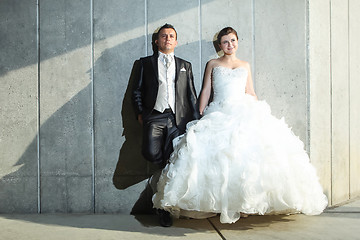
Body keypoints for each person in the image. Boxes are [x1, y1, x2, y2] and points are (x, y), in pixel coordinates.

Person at [152, 27, 328, 224]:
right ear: (220, 45)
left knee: (246, 156)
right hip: (218, 111)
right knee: (217, 158)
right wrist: (200, 113)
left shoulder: (245, 65)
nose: (230, 45)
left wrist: (261, 113)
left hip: (243, 110)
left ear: (237, 42)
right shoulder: (213, 64)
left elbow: (250, 91)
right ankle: (219, 203)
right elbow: (206, 90)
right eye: (225, 42)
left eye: (233, 41)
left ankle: (245, 202)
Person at [132, 23, 200, 227]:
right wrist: (140, 114)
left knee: (174, 159)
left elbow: (191, 94)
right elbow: (136, 91)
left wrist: (196, 120)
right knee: (151, 153)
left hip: (178, 119)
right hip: (154, 116)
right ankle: (163, 170)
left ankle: (164, 208)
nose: (167, 39)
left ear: (176, 41)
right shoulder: (145, 63)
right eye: (163, 36)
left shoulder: (185, 64)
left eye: (171, 36)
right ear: (157, 41)